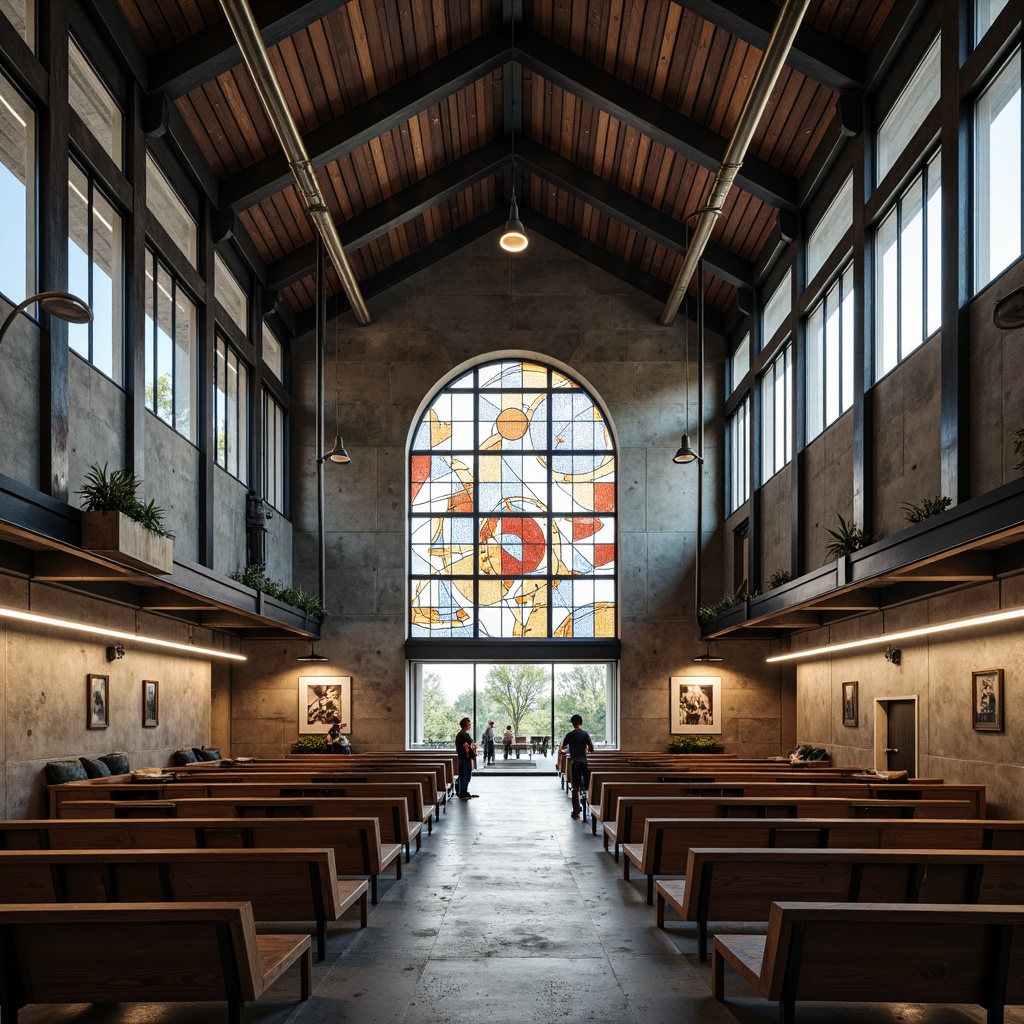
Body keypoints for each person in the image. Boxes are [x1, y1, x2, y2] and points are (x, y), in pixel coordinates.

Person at [560, 714, 594, 820]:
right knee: (588, 786)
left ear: (572, 723)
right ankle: (589, 804)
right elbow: (591, 748)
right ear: (581, 723)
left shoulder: (569, 735)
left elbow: (563, 748)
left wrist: (566, 751)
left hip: (575, 763)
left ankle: (576, 812)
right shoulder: (585, 734)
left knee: (575, 787)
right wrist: (587, 749)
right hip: (584, 762)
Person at [455, 716, 478, 798]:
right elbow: (467, 745)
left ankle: (464, 791)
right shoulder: (462, 735)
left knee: (467, 775)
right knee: (464, 775)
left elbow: (470, 742)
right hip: (464, 758)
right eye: (469, 724)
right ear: (465, 725)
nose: (470, 726)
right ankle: (462, 791)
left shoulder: (463, 734)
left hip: (466, 758)